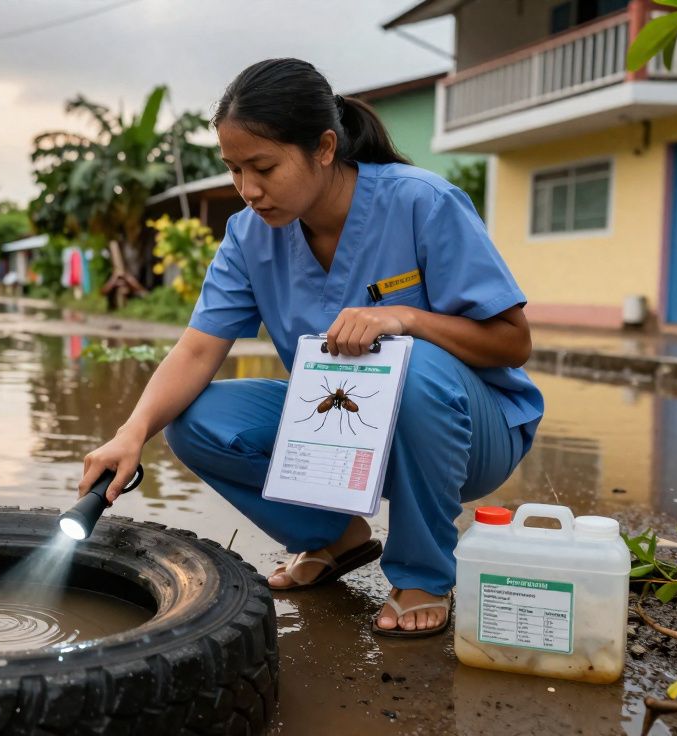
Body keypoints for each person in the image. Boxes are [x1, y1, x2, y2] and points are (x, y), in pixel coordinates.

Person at [77, 58, 543, 638]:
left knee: (410, 362)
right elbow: (198, 349)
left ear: (324, 147)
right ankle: (333, 535)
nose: (248, 190)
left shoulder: (422, 202)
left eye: (264, 167)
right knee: (192, 421)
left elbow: (512, 342)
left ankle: (422, 573)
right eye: (234, 170)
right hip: (347, 427)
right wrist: (131, 432)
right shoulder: (250, 234)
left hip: (470, 433)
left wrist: (405, 318)